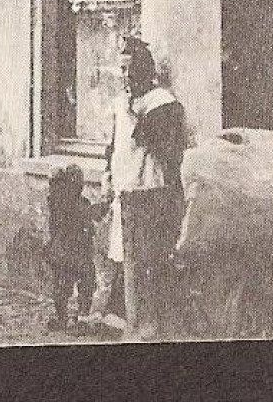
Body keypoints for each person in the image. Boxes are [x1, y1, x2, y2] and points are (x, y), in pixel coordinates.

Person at [87, 37, 188, 336]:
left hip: (151, 193)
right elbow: (115, 144)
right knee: (121, 253)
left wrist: (137, 118)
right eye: (121, 70)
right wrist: (108, 173)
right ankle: (122, 316)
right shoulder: (121, 104)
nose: (125, 77)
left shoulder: (162, 104)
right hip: (125, 191)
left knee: (147, 258)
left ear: (146, 70)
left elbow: (166, 150)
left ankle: (149, 321)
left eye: (131, 70)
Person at [43, 163, 99, 330]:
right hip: (73, 253)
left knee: (64, 286)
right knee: (81, 283)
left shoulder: (58, 202)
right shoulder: (71, 203)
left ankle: (68, 317)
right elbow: (88, 224)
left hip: (65, 252)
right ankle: (76, 317)